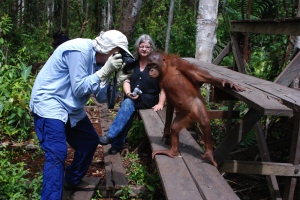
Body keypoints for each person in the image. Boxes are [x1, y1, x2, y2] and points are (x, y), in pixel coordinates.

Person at [30, 30, 133, 200]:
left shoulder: (101, 64)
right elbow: (79, 90)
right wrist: (104, 72)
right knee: (57, 152)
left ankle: (71, 180)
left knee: (89, 141)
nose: (120, 57)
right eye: (118, 53)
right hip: (50, 103)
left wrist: (118, 81)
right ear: (109, 50)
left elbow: (103, 98)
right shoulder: (79, 50)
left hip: (70, 107)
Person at [99, 34, 166, 155]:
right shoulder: (132, 63)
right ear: (137, 48)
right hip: (132, 97)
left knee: (128, 104)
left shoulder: (157, 65)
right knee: (127, 111)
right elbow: (126, 80)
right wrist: (128, 93)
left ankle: (111, 137)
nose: (144, 49)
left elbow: (164, 87)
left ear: (151, 49)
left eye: (147, 47)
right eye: (142, 46)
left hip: (149, 99)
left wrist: (161, 103)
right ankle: (116, 144)